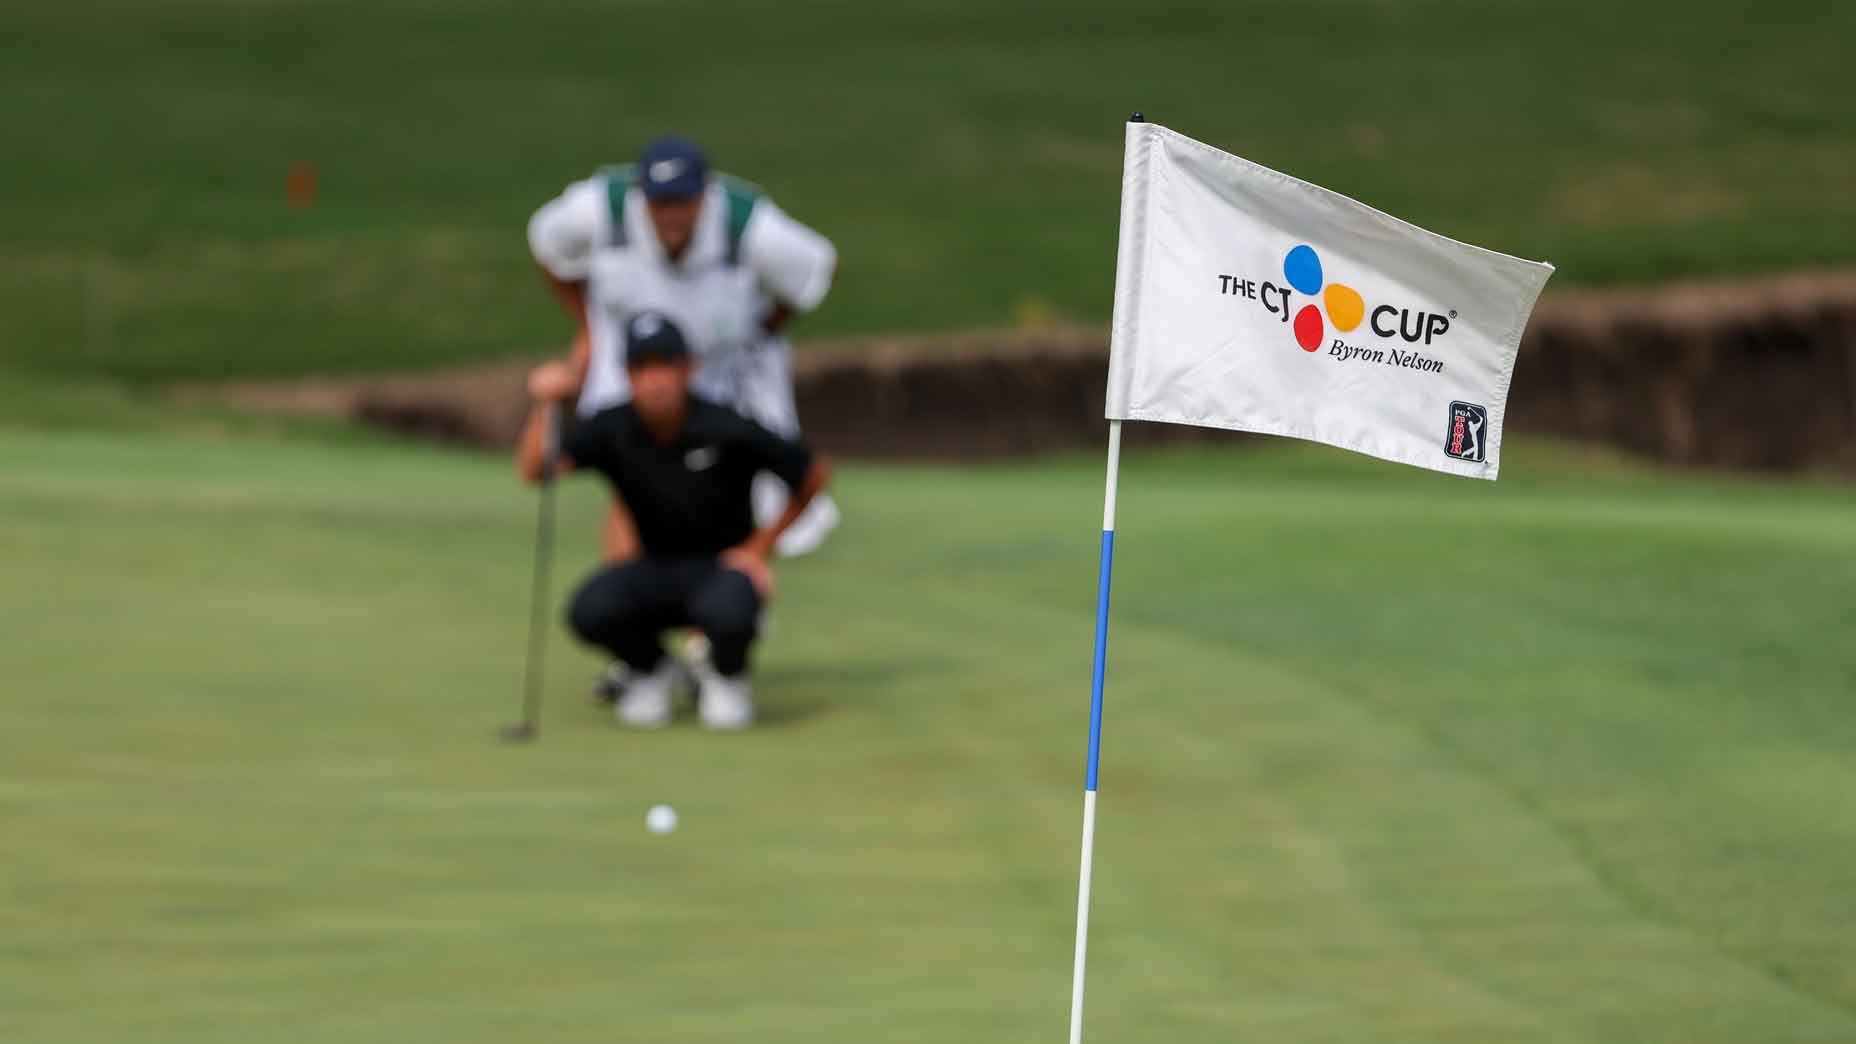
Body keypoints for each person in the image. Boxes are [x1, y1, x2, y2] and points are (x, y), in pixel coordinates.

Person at [525, 134, 840, 558]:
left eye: (683, 203)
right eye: (660, 204)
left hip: (723, 361)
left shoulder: (753, 229)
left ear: (705, 196)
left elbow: (812, 274)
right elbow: (548, 247)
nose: (670, 216)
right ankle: (632, 604)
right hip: (630, 359)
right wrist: (587, 330)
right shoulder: (596, 210)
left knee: (725, 477)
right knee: (631, 475)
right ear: (642, 198)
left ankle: (722, 595)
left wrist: (761, 330)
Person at [517, 312, 832, 730]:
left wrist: (760, 549)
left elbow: (810, 474)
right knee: (590, 609)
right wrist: (546, 404)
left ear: (688, 369)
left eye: (666, 365)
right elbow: (537, 469)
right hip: (653, 567)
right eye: (643, 368)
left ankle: (727, 677)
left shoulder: (724, 425)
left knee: (732, 609)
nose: (656, 380)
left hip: (721, 569)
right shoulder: (613, 427)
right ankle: (653, 670)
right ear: (628, 375)